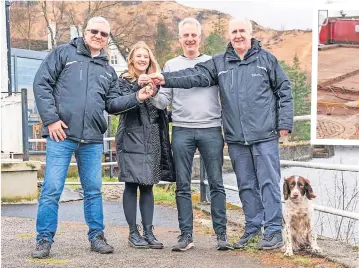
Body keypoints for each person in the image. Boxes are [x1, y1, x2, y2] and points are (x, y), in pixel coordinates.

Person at [146, 18, 294, 250]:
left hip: (264, 134)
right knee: (245, 184)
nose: (238, 35)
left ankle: (274, 231)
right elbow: (194, 76)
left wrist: (284, 123)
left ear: (251, 33)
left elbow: (284, 89)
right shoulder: (220, 63)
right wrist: (165, 79)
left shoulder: (267, 60)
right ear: (229, 35)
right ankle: (253, 228)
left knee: (268, 183)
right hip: (236, 137)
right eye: (234, 31)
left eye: (242, 31)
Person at [32, 17, 154, 258]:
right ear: (85, 32)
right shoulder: (63, 54)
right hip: (61, 134)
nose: (99, 36)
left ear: (108, 38)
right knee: (52, 188)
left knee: (94, 190)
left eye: (104, 34)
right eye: (94, 31)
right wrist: (51, 119)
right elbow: (41, 83)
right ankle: (44, 239)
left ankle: (97, 236)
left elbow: (112, 104)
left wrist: (137, 97)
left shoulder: (108, 70)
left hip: (91, 138)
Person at [144, 17, 230, 251]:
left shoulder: (213, 63)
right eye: (186, 35)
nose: (190, 39)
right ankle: (186, 236)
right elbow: (164, 102)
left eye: (194, 35)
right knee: (183, 185)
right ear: (180, 38)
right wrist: (152, 94)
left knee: (216, 183)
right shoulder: (170, 65)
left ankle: (221, 235)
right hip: (182, 129)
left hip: (211, 129)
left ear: (199, 38)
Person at [115, 41, 175, 249]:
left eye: (146, 56)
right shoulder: (123, 80)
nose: (142, 59)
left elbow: (162, 106)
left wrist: (155, 89)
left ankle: (148, 232)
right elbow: (119, 105)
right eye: (138, 55)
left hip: (153, 139)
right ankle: (133, 233)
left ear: (150, 60)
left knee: (148, 186)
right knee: (131, 185)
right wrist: (136, 87)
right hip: (131, 138)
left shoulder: (156, 81)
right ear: (132, 59)